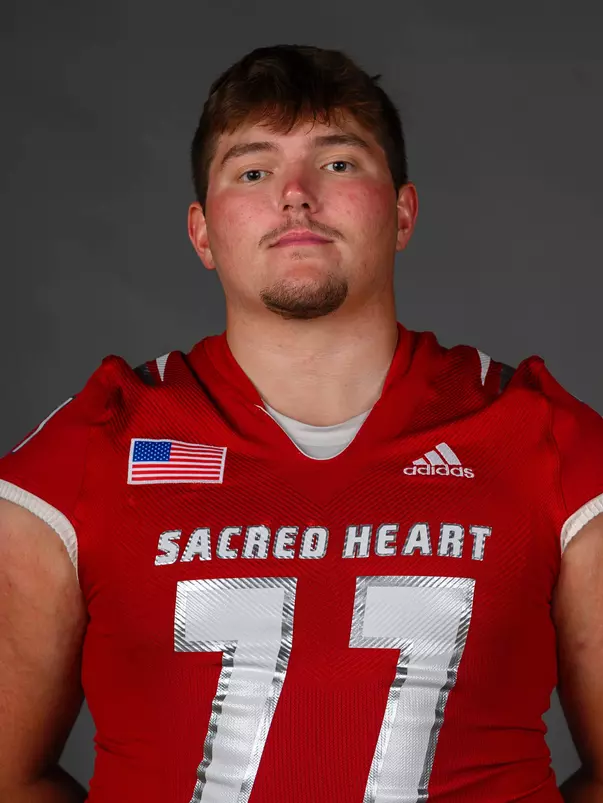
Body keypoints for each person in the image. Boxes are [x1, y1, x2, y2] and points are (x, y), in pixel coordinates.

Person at [0, 43, 602, 803]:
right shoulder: (90, 447)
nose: (295, 195)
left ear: (403, 211)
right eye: (252, 171)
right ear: (201, 232)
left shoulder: (544, 439)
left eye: (338, 164)